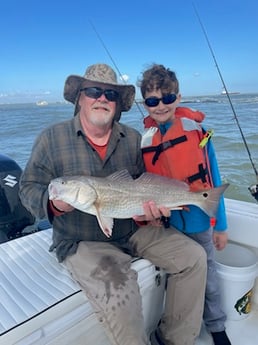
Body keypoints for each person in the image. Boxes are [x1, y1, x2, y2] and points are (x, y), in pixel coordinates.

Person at [19, 63, 207, 345]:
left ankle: (174, 339)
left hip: (132, 226)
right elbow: (27, 188)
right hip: (82, 239)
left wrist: (152, 216)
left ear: (118, 104)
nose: (102, 98)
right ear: (80, 97)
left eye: (110, 94)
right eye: (94, 91)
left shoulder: (132, 138)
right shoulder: (51, 139)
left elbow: (142, 186)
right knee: (123, 297)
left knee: (194, 258)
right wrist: (55, 205)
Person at [138, 63, 231, 345]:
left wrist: (221, 226)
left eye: (167, 98)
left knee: (210, 279)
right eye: (153, 101)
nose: (161, 105)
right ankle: (176, 325)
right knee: (174, 280)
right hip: (168, 226)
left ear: (178, 97)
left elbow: (213, 178)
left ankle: (216, 326)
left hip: (200, 221)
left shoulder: (196, 130)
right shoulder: (145, 140)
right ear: (146, 104)